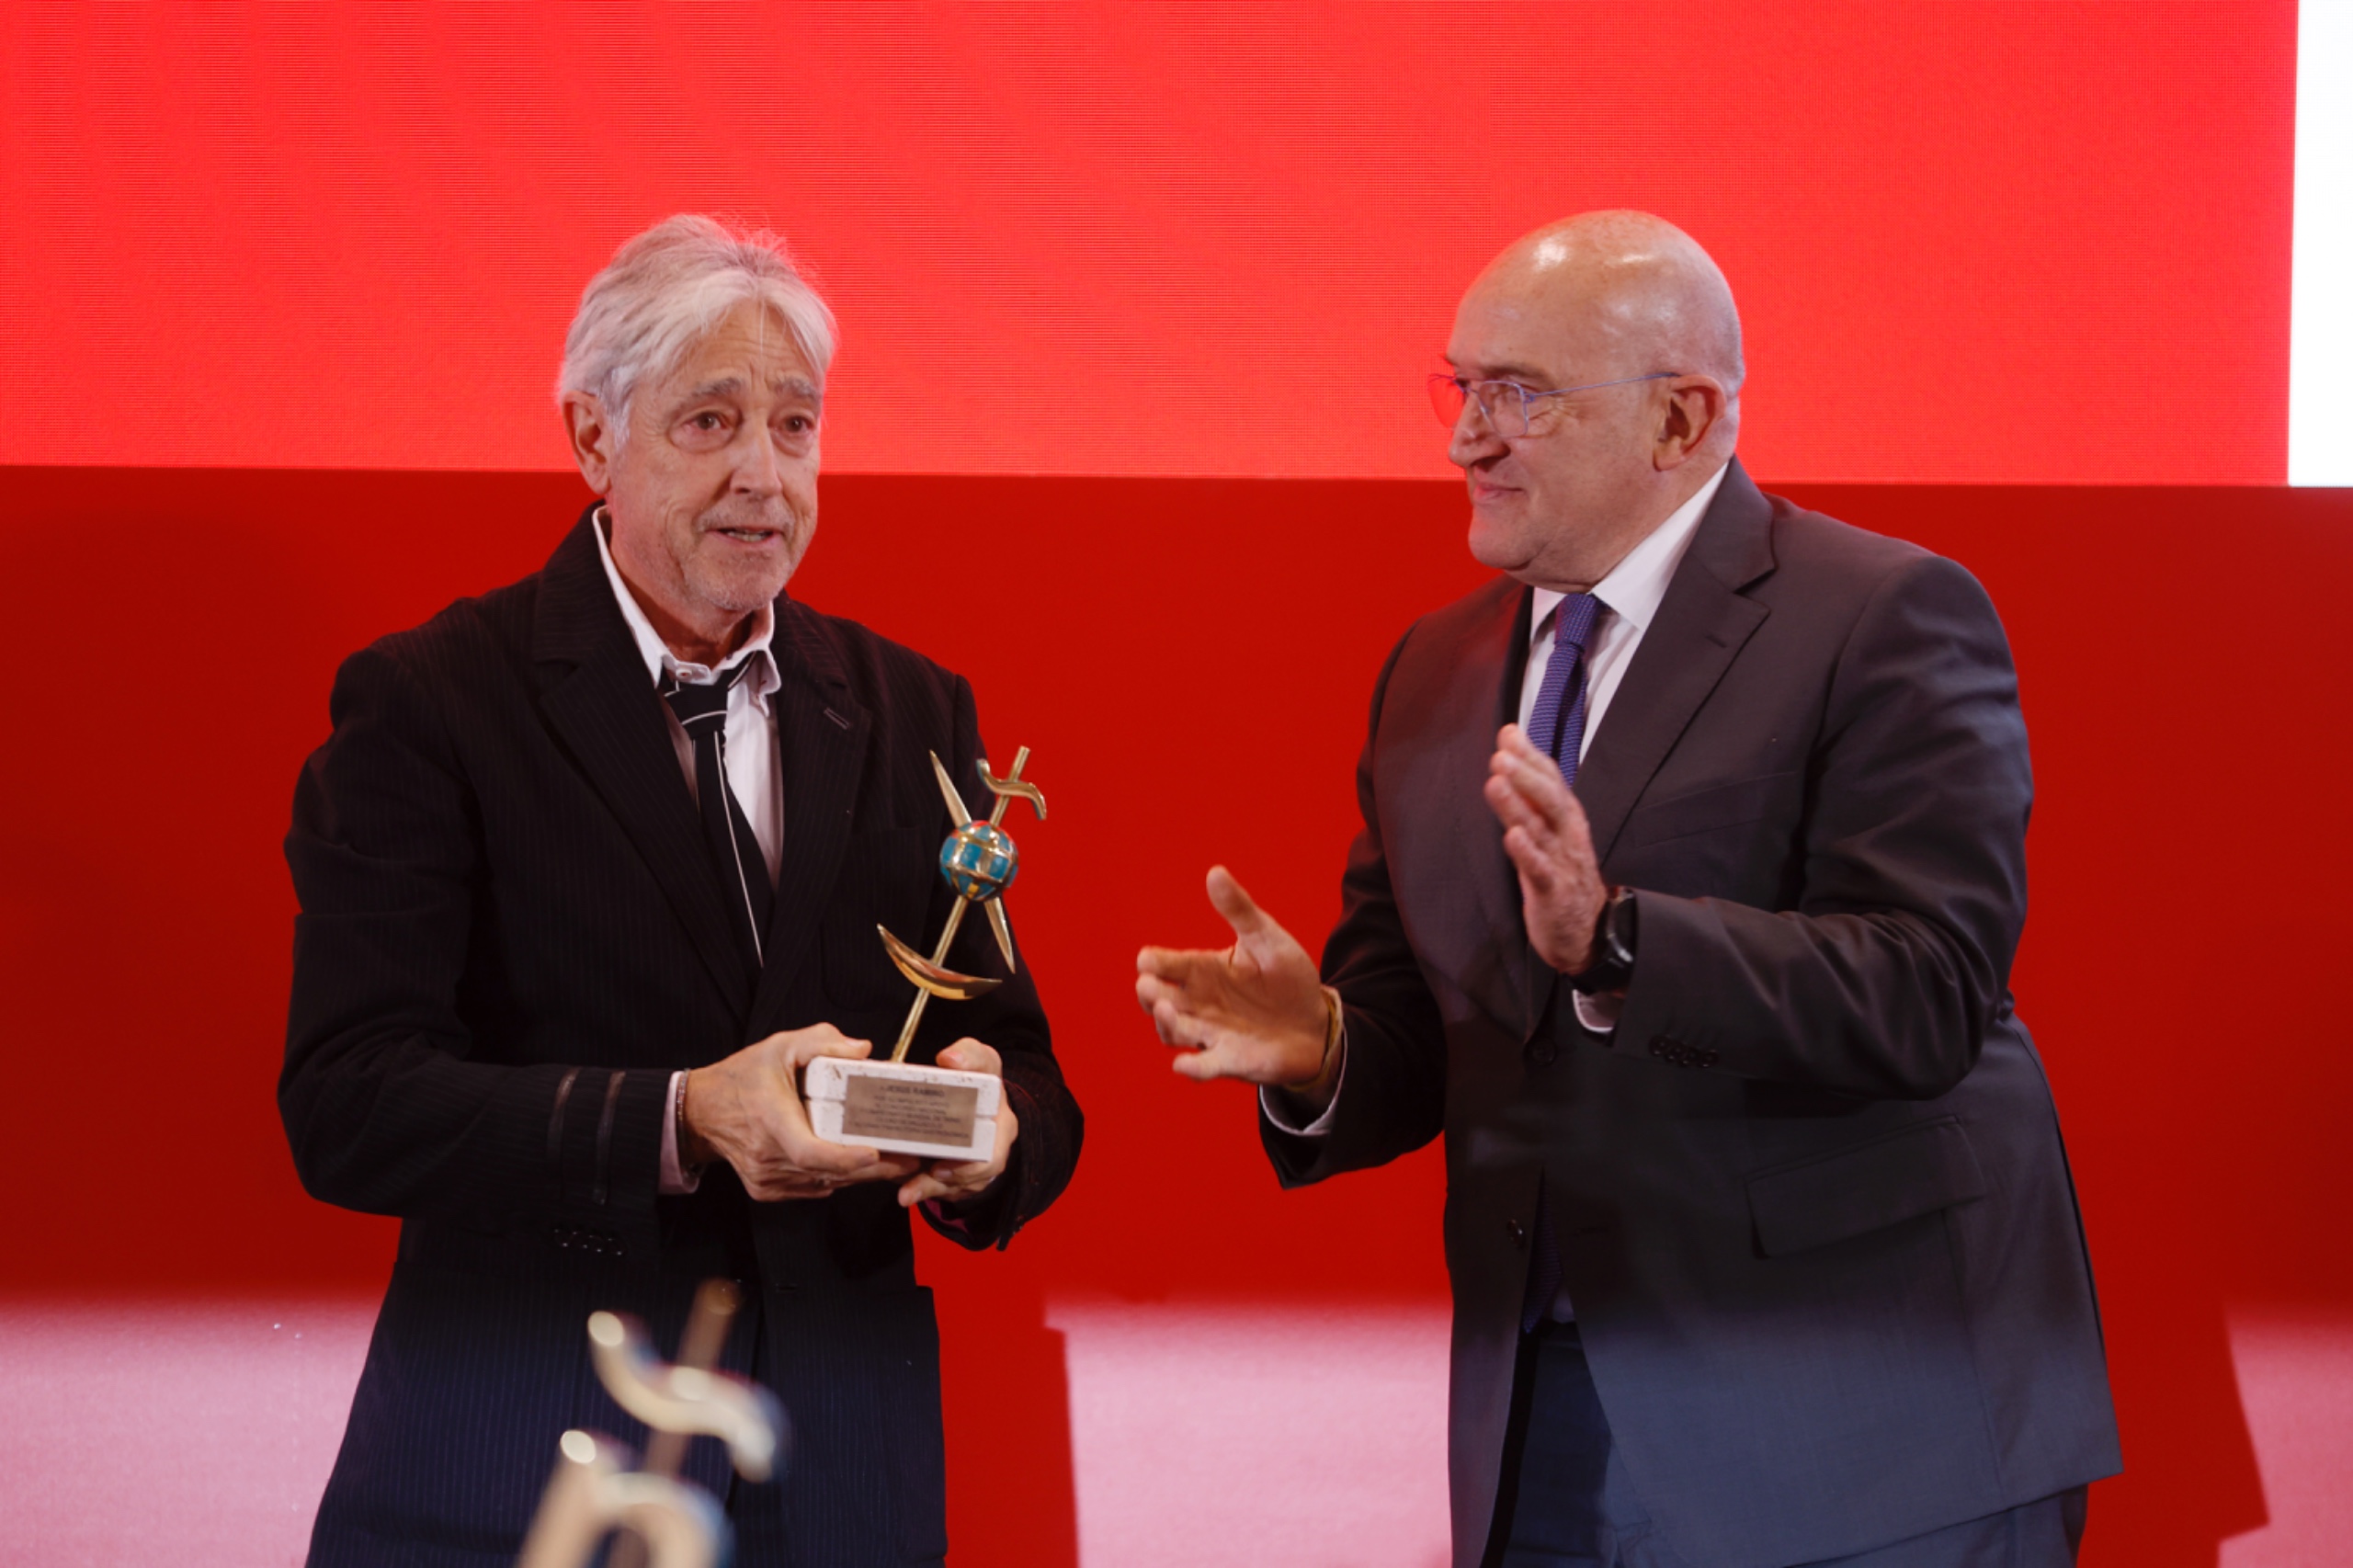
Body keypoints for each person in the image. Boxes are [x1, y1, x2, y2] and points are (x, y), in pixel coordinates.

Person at [1136, 212, 2119, 1568]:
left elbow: (1927, 988)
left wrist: (1617, 945)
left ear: (1681, 418)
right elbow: (1440, 1023)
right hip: (1547, 1430)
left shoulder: (1884, 613)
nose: (1466, 440)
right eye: (1462, 387)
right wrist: (1325, 1049)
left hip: (1867, 1436)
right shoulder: (1431, 671)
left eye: (1519, 396)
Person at [281, 214, 1083, 1568]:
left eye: (795, 425)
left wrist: (991, 1143)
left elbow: (1027, 1075)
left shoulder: (911, 706)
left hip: (838, 1487)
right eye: (711, 422)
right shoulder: (432, 701)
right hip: (528, 1478)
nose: (764, 474)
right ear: (594, 439)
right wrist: (684, 1118)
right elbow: (349, 1101)